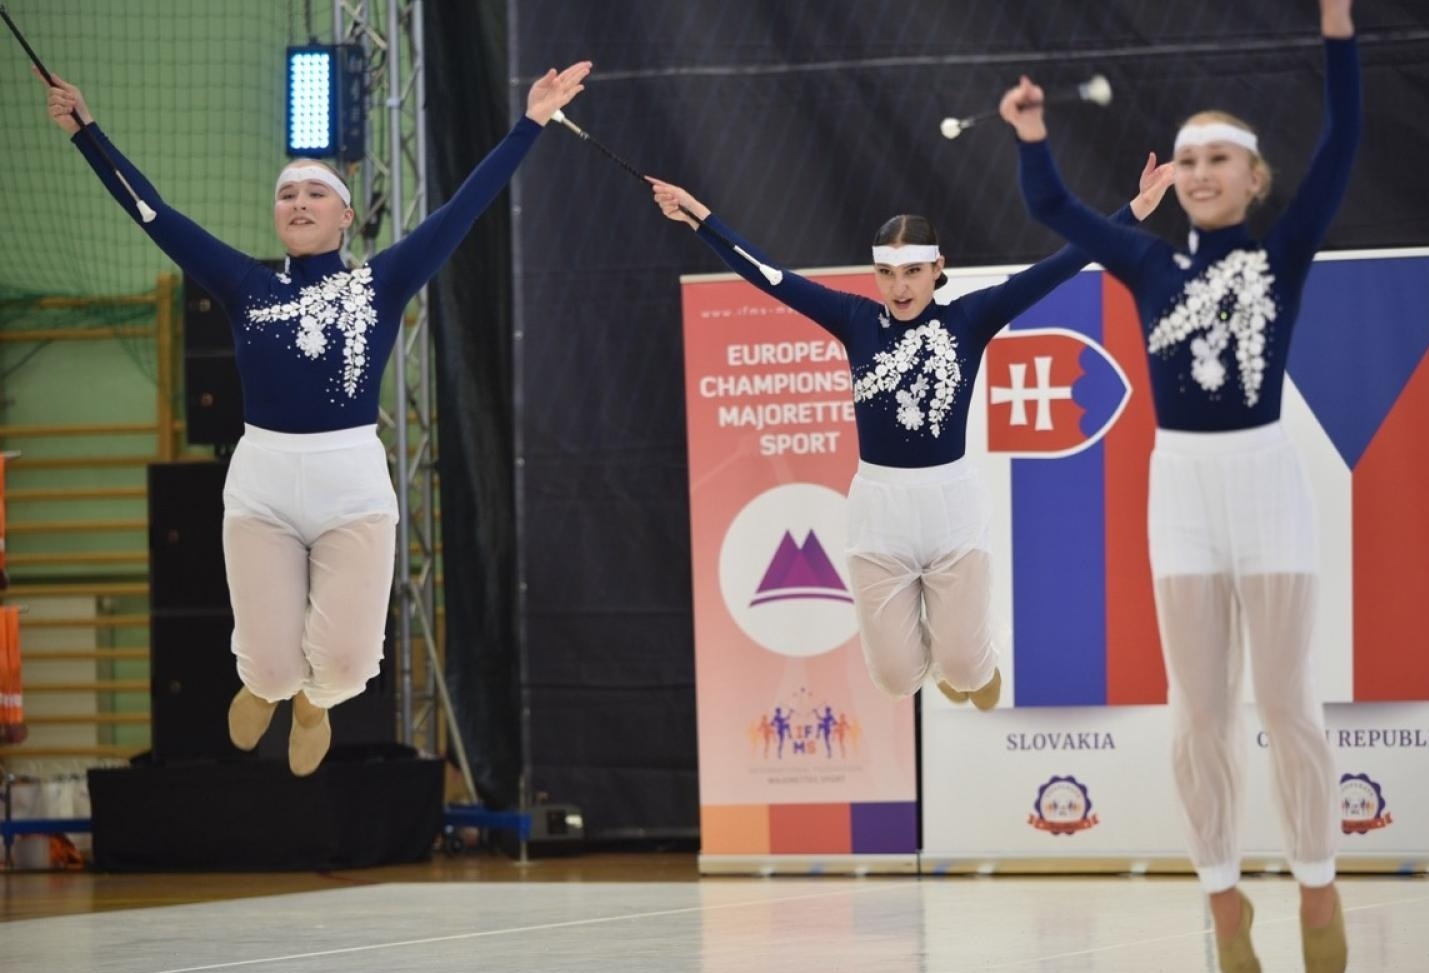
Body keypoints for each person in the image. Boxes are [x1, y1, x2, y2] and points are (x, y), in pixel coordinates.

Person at [37, 61, 592, 775]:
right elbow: (155, 214)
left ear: (345, 215)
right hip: (263, 481)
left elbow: (462, 212)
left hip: (350, 482)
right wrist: (86, 131)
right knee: (266, 667)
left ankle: (314, 703)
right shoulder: (245, 285)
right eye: (287, 195)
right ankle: (270, 689)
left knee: (347, 665)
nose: (299, 203)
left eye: (316, 193)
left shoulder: (382, 282)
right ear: (277, 215)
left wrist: (531, 122)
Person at [998, 0, 1359, 973]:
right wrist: (1033, 136)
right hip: (1182, 492)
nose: (1199, 174)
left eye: (1218, 160)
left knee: (1287, 705)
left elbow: (1344, 137)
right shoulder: (1148, 262)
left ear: (1253, 178)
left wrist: (1336, 29)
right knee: (1197, 714)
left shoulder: (1282, 251)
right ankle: (1221, 895)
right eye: (1188, 161)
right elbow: (1054, 213)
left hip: (1265, 482)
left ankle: (1318, 886)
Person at [650, 160, 1171, 710]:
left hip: (952, 509)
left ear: (937, 268)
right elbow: (771, 274)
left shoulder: (972, 318)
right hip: (879, 512)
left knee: (967, 670)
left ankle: (966, 662)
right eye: (887, 274)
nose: (899, 288)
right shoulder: (854, 319)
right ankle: (941, 656)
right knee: (895, 681)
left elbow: (1063, 264)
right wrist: (699, 219)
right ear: (875, 273)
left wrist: (1134, 210)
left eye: (913, 273)